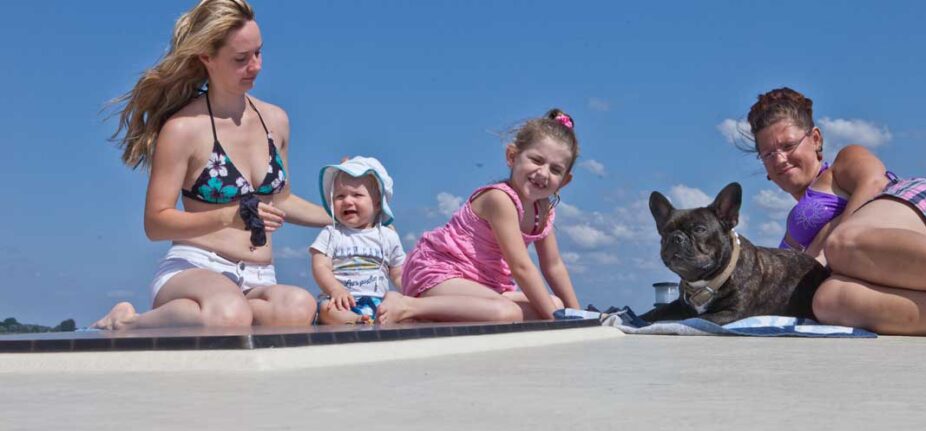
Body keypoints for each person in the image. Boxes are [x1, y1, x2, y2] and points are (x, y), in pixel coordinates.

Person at [92, 0, 331, 330]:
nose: (256, 66)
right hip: (196, 268)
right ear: (207, 57)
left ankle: (230, 314)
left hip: (259, 274)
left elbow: (281, 200)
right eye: (241, 59)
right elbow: (155, 223)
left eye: (259, 53)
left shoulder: (276, 120)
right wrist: (228, 216)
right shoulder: (183, 129)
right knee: (229, 313)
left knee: (298, 307)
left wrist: (343, 215)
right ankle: (129, 322)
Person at [746, 87, 926, 339]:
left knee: (842, 245)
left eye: (787, 145)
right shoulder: (790, 235)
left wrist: (825, 251)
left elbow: (875, 182)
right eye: (768, 154)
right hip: (911, 279)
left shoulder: (842, 165)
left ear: (815, 138)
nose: (780, 159)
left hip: (923, 214)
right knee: (828, 301)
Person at [376, 109, 582, 324]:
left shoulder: (544, 210)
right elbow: (521, 267)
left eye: (555, 169)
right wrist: (555, 320)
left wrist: (579, 315)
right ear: (512, 157)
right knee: (510, 313)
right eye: (537, 160)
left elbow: (553, 266)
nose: (543, 173)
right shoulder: (500, 199)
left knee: (557, 304)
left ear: (565, 181)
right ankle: (408, 305)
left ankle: (466, 308)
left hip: (484, 285)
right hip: (441, 273)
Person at [310, 157, 405, 324]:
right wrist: (335, 289)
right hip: (342, 301)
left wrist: (410, 293)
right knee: (326, 309)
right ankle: (357, 319)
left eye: (357, 195)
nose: (347, 201)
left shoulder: (388, 236)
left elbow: (398, 273)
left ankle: (389, 317)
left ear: (377, 204)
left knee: (395, 297)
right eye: (340, 196)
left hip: (379, 301)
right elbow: (320, 266)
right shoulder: (331, 233)